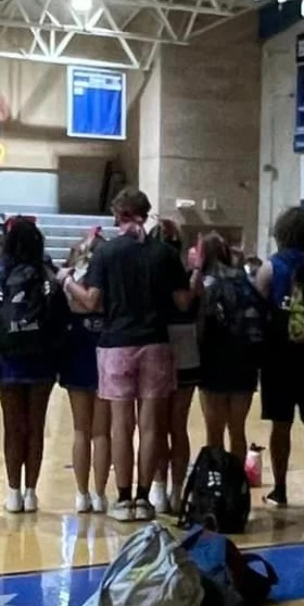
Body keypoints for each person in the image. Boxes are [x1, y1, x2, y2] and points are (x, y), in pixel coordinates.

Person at [62, 188, 194, 522]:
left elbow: (91, 300)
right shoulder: (164, 253)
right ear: (146, 212)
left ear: (118, 215)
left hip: (116, 342)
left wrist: (67, 283)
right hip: (155, 343)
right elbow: (182, 302)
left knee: (121, 425)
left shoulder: (107, 252)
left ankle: (122, 499)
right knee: (151, 426)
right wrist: (195, 276)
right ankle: (145, 497)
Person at [254, 206, 304, 507]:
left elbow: (259, 308)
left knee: (281, 424)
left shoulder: (272, 267)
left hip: (280, 355)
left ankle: (280, 488)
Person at [0, 216, 60, 514]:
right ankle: (31, 492)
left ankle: (12, 493)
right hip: (42, 361)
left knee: (12, 426)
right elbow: (59, 318)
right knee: (36, 426)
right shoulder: (48, 275)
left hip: (7, 361)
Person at [195, 232, 260, 460]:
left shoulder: (203, 284)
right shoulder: (245, 282)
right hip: (245, 362)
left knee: (214, 433)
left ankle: (217, 484)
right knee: (238, 430)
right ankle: (236, 483)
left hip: (213, 362)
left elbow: (200, 326)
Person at [61, 229, 111, 514]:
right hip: (104, 348)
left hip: (78, 348)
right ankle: (101, 494)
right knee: (102, 432)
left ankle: (82, 495)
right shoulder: (110, 278)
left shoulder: (71, 279)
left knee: (81, 429)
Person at [153, 219, 199, 514]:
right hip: (186, 347)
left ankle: (159, 489)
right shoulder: (188, 276)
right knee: (178, 425)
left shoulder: (146, 271)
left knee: (156, 426)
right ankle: (177, 490)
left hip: (156, 343)